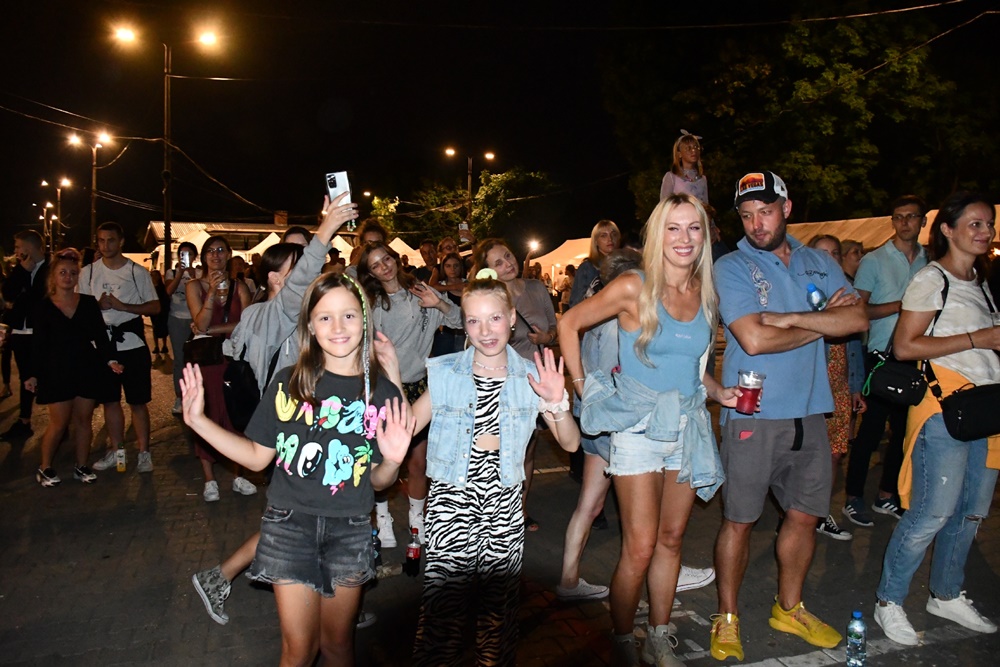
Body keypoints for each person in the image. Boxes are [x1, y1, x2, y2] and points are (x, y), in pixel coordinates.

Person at [180, 272, 414, 667]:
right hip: (288, 526)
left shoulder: (381, 393)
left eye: (349, 315)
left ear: (364, 320)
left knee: (337, 645)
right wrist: (199, 422)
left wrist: (391, 461)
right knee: (298, 650)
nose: (337, 327)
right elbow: (256, 457)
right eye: (325, 317)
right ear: (310, 325)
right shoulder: (289, 382)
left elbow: (378, 482)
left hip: (350, 528)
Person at [560, 193, 739, 665]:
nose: (684, 238)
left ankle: (659, 636)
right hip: (637, 428)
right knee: (639, 548)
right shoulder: (633, 285)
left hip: (688, 426)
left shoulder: (705, 291)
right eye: (673, 228)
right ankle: (622, 642)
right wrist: (583, 389)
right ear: (658, 234)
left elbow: (691, 365)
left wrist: (719, 391)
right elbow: (570, 324)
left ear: (705, 236)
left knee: (671, 540)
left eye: (694, 227)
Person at [711, 172, 868, 660]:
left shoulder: (819, 261)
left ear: (787, 208)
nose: (757, 224)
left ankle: (789, 608)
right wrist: (822, 324)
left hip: (812, 411)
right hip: (753, 414)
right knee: (740, 521)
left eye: (766, 211)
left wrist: (792, 319)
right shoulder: (732, 266)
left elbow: (857, 319)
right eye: (747, 215)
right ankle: (727, 618)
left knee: (804, 517)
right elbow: (754, 339)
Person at [191, 193, 358, 625]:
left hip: (299, 428)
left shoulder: (270, 315)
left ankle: (339, 591)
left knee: (302, 515)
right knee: (296, 517)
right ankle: (223, 576)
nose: (308, 278)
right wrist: (327, 228)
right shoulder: (274, 311)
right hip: (291, 431)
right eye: (297, 272)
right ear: (275, 279)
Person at [405, 270, 580, 664]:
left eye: (495, 318)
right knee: (443, 613)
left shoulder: (531, 376)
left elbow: (570, 443)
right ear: (463, 323)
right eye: (474, 320)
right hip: (451, 500)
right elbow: (407, 427)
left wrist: (557, 403)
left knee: (497, 615)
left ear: (512, 318)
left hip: (503, 504)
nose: (485, 331)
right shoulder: (446, 372)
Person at [874, 192, 1000, 645]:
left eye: (988, 224)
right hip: (944, 409)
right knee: (932, 512)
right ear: (947, 229)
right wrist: (980, 337)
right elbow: (904, 346)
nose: (985, 231)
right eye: (974, 224)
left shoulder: (981, 282)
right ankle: (889, 601)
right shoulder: (932, 279)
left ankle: (945, 594)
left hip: (985, 410)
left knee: (970, 513)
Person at [358, 241, 463, 547]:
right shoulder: (371, 305)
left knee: (418, 462)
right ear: (370, 273)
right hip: (384, 389)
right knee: (382, 460)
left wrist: (439, 304)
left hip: (418, 386)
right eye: (376, 265)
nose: (384, 267)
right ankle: (383, 518)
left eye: (386, 259)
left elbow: (460, 321)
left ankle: (417, 520)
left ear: (396, 258)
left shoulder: (421, 291)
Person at [843, 195, 929, 528]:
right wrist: (899, 307)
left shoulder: (930, 261)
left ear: (923, 221)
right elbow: (858, 311)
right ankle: (853, 497)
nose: (904, 222)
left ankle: (886, 494)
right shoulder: (874, 260)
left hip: (916, 357)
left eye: (911, 216)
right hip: (880, 357)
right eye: (898, 217)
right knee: (870, 431)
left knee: (905, 433)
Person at [474, 238, 559, 532]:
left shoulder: (536, 288)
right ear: (488, 270)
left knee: (528, 450)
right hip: (503, 382)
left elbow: (554, 326)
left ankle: (519, 510)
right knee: (499, 450)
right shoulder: (492, 298)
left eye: (508, 256)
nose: (508, 264)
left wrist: (547, 338)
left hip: (536, 382)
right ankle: (493, 510)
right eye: (498, 263)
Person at [29, 249, 123, 487]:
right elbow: (37, 344)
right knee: (59, 423)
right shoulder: (43, 306)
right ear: (53, 276)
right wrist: (32, 374)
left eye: (72, 273)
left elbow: (100, 336)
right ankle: (45, 467)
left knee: (84, 420)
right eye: (62, 272)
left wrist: (110, 360)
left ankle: (81, 466)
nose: (68, 277)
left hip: (86, 367)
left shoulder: (88, 303)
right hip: (56, 370)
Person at [82, 222, 161, 473]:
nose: (106, 245)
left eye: (111, 240)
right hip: (102, 346)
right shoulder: (88, 273)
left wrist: (123, 306)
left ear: (121, 241)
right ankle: (118, 454)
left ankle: (144, 453)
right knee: (110, 401)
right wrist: (98, 306)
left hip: (132, 343)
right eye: (101, 240)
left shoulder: (136, 272)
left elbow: (155, 307)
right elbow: (79, 309)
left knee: (138, 401)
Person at [186, 235, 254, 502]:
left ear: (228, 255)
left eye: (221, 250)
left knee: (235, 413)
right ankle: (209, 479)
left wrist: (212, 329)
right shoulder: (194, 286)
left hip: (234, 358)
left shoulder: (240, 287)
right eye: (210, 251)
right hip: (207, 361)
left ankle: (239, 475)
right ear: (204, 257)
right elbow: (200, 322)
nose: (216, 255)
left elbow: (247, 324)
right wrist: (212, 292)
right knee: (208, 413)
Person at [808, 235, 866, 542]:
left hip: (839, 386)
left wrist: (855, 387)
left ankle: (819, 513)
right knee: (806, 456)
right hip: (810, 387)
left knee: (835, 453)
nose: (829, 259)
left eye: (834, 253)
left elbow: (854, 345)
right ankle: (798, 515)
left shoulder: (846, 292)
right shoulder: (801, 291)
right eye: (822, 253)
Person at [1, 230, 49, 440]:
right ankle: (24, 421)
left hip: (42, 331)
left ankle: (61, 422)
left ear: (29, 247)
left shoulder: (50, 268)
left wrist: (21, 297)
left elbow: (41, 299)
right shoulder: (20, 268)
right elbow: (7, 293)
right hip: (20, 331)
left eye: (18, 246)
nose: (16, 251)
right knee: (25, 377)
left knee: (45, 375)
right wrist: (22, 271)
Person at [165, 241, 201, 414]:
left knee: (196, 359)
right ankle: (179, 397)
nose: (185, 258)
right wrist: (179, 274)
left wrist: (194, 277)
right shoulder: (171, 272)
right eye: (182, 254)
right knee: (180, 359)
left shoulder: (200, 273)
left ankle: (197, 396)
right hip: (176, 319)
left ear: (195, 256)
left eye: (189, 254)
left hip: (196, 319)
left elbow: (204, 293)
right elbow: (168, 291)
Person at [569, 219, 620, 309]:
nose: (610, 239)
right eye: (603, 236)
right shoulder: (587, 268)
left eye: (613, 234)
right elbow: (576, 304)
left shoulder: (624, 266)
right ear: (596, 241)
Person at [431, 251, 467, 357]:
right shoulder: (440, 288)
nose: (452, 269)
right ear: (443, 268)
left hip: (466, 333)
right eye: (448, 266)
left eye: (456, 265)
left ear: (461, 267)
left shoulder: (468, 284)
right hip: (446, 335)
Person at [659, 130, 708, 204]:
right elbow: (664, 205)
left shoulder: (702, 179)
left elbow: (706, 206)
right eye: (688, 148)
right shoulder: (671, 177)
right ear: (679, 154)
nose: (693, 150)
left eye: (696, 147)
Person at [149, 270, 170, 364]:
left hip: (161, 310)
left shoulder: (161, 288)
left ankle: (164, 345)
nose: (153, 277)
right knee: (155, 327)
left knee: (162, 327)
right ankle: (157, 345)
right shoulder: (151, 287)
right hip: (154, 310)